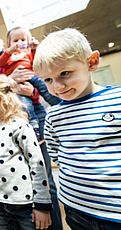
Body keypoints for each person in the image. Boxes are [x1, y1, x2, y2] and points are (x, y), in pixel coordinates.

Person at [0, 25, 63, 230]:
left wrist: (33, 91)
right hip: (3, 127)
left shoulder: (24, 54)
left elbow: (44, 86)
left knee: (46, 182)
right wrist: (10, 81)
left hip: (31, 121)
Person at [33, 28, 121, 229]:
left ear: (91, 62)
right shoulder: (53, 116)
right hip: (76, 211)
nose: (57, 87)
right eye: (48, 80)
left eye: (64, 73)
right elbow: (56, 154)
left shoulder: (117, 99)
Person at [0, 74, 52, 230]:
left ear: (4, 97)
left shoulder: (20, 126)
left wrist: (42, 205)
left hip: (25, 204)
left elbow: (37, 165)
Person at [0, 26, 61, 140]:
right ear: (9, 43)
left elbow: (37, 62)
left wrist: (35, 49)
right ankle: (33, 124)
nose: (19, 42)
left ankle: (58, 103)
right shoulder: (9, 56)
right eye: (15, 40)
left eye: (23, 40)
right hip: (18, 83)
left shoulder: (28, 52)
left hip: (32, 76)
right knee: (25, 104)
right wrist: (9, 51)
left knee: (44, 86)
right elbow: (0, 64)